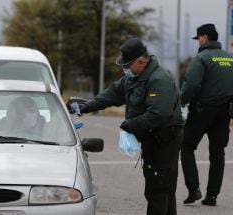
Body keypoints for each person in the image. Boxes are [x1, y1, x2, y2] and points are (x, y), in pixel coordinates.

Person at [76, 38, 183, 215]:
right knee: (163, 188)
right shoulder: (133, 78)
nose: (124, 69)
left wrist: (130, 125)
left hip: (166, 138)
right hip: (151, 137)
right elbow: (111, 94)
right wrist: (88, 106)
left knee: (158, 188)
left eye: (128, 65)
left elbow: (158, 114)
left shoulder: (159, 79)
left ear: (141, 61)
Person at [180, 23, 233, 206]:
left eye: (198, 38)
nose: (198, 42)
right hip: (224, 112)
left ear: (204, 37)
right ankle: (212, 195)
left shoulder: (202, 58)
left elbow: (190, 85)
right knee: (217, 153)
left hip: (202, 110)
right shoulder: (231, 59)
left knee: (187, 147)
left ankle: (194, 189)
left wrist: (180, 103)